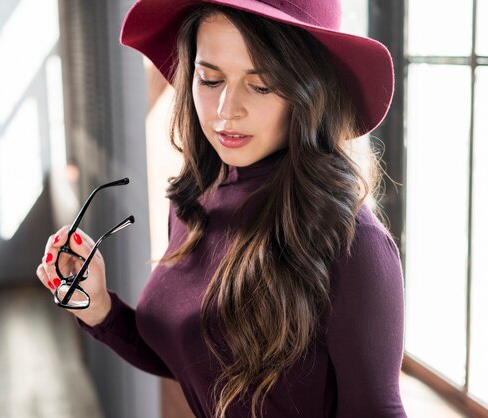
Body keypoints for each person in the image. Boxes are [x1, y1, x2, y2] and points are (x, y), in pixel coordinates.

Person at [36, 0, 406, 417]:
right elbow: (194, 362)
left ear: (310, 89)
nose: (227, 111)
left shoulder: (355, 246)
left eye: (261, 85)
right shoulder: (192, 203)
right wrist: (101, 307)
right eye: (210, 80)